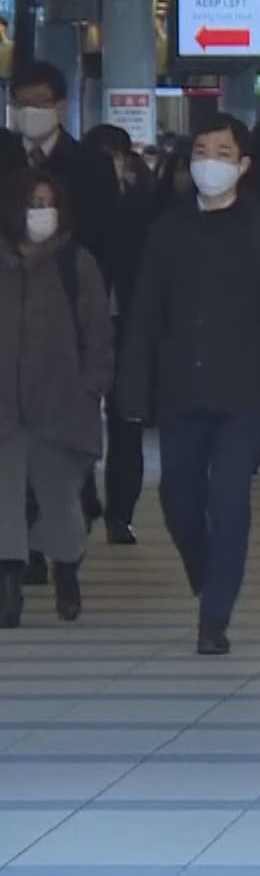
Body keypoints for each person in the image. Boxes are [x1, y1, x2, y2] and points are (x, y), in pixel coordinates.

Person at [117, 115, 260, 656]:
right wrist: (131, 390)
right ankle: (206, 572)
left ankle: (215, 614)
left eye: (222, 153)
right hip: (180, 386)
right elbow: (145, 315)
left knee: (229, 500)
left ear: (243, 165)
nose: (210, 162)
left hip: (242, 389)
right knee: (179, 498)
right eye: (202, 150)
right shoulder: (166, 231)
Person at [0, 169, 113, 627]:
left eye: (48, 202)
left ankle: (66, 570)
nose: (40, 211)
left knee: (60, 501)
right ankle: (9, 588)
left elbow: (98, 332)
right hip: (4, 407)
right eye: (32, 201)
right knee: (3, 501)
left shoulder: (75, 263)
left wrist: (93, 383)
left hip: (62, 403)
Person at [84, 125, 155, 544]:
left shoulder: (145, 207)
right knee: (75, 422)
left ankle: (120, 513)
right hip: (83, 331)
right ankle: (84, 499)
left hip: (130, 327)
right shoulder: (73, 209)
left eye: (115, 156)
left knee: (127, 423)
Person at [0, 62, 119, 277]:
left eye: (41, 102)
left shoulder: (93, 165)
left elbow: (108, 238)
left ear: (61, 106)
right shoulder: (4, 157)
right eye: (23, 103)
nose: (31, 110)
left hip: (68, 285)